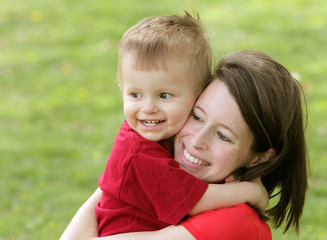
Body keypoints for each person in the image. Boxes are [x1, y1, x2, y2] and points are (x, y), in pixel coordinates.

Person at [60, 50, 308, 240]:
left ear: (260, 157)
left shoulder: (236, 223)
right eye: (196, 116)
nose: (196, 141)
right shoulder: (157, 162)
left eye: (223, 135)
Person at [95, 12, 268, 237]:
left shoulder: (157, 139)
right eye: (135, 94)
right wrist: (250, 191)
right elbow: (193, 202)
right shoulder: (138, 152)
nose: (148, 108)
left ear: (197, 96)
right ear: (121, 89)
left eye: (164, 95)